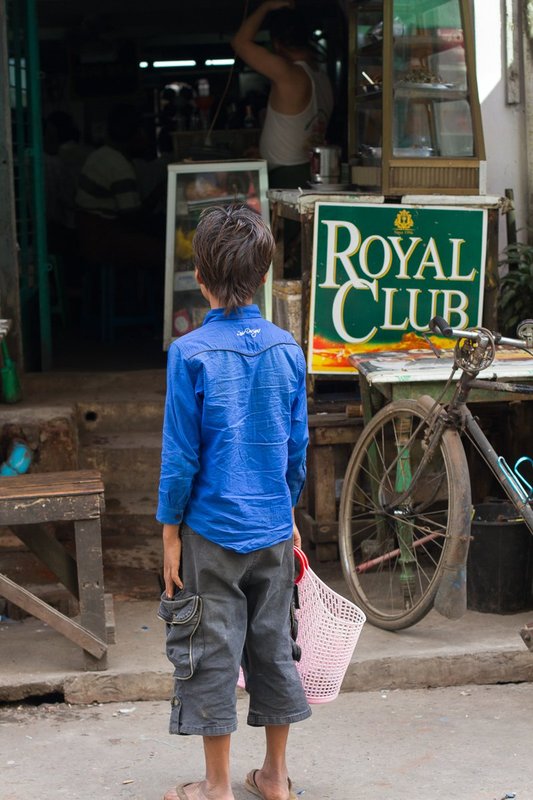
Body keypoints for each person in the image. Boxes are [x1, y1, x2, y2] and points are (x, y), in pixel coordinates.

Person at [157, 204, 310, 800]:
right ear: (266, 277)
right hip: (271, 526)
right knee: (274, 646)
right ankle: (274, 776)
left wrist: (170, 535)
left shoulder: (189, 353)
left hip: (210, 532)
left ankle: (216, 786)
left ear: (200, 278)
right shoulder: (287, 350)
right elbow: (295, 448)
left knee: (209, 649)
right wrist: (288, 513)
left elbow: (180, 458)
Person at [231, 0, 333, 189]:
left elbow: (239, 42)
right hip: (307, 168)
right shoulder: (321, 77)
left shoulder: (289, 73)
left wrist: (265, 6)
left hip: (288, 176)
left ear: (276, 44)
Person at [75, 103, 165, 271]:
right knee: (164, 253)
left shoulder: (99, 154)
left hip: (90, 237)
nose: (145, 137)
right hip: (104, 240)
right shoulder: (119, 166)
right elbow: (133, 218)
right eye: (142, 131)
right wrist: (159, 192)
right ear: (134, 134)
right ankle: (147, 296)